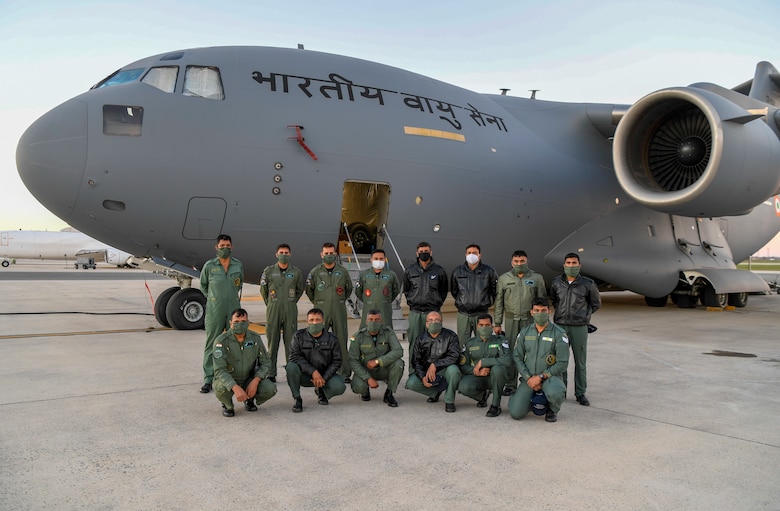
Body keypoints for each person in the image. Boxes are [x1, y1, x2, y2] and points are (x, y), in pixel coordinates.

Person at [549, 252, 601, 406]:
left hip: (579, 327)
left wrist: (584, 316)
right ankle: (561, 390)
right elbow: (554, 300)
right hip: (561, 326)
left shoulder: (587, 284)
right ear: (564, 265)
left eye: (574, 263)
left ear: (579, 265)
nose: (571, 266)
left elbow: (596, 303)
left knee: (580, 361)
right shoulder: (556, 283)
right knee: (561, 360)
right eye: (569, 263)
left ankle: (580, 393)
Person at [508, 297, 569, 422]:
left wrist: (540, 377)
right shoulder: (525, 332)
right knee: (515, 413)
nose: (540, 313)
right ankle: (531, 401)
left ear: (549, 311)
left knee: (555, 392)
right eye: (537, 310)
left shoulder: (559, 333)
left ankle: (552, 409)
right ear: (531, 312)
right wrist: (528, 378)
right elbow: (517, 356)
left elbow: (562, 363)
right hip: (529, 378)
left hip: (550, 378)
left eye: (543, 310)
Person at [494, 250, 546, 395]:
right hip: (511, 320)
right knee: (511, 351)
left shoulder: (537, 278)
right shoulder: (504, 279)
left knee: (530, 351)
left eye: (522, 261)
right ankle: (511, 384)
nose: (519, 264)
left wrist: (541, 321)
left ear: (527, 261)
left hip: (529, 320)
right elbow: (499, 302)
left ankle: (528, 380)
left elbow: (542, 301)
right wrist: (497, 323)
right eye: (516, 262)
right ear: (512, 262)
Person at [199, 234, 243, 394]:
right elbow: (203, 286)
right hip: (215, 310)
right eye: (222, 246)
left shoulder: (238, 265)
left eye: (228, 246)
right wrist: (214, 300)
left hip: (233, 309)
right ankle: (208, 379)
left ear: (232, 247)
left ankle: (237, 377)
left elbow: (239, 284)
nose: (225, 248)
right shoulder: (210, 266)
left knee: (236, 343)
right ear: (216, 247)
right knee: (212, 343)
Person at [212, 309, 277, 417]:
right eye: (236, 322)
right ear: (230, 323)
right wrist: (235, 387)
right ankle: (227, 404)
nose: (239, 324)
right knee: (220, 388)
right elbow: (219, 370)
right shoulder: (221, 341)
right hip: (230, 377)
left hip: (248, 377)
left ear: (248, 322)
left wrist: (255, 381)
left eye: (243, 321)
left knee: (270, 389)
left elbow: (265, 363)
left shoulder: (255, 338)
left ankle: (249, 399)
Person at [305, 242, 354, 382]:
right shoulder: (315, 272)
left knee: (341, 340)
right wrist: (320, 301)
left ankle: (344, 372)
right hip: (321, 310)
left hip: (338, 309)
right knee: (318, 341)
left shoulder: (342, 271)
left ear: (335, 254)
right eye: (326, 253)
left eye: (331, 253)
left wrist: (338, 300)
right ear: (321, 254)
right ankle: (317, 371)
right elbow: (309, 290)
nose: (329, 256)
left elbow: (348, 289)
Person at [286, 308, 346, 412]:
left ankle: (321, 390)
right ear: (307, 322)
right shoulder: (298, 336)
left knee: (339, 386)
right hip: (306, 375)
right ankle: (297, 398)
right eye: (311, 320)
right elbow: (294, 356)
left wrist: (324, 378)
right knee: (291, 367)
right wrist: (313, 372)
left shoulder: (332, 339)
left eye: (318, 320)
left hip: (325, 375)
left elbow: (337, 361)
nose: (314, 323)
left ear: (323, 322)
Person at [260, 243, 304, 381]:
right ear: (276, 254)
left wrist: (290, 302)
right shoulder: (269, 271)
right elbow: (263, 290)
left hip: (290, 309)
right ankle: (271, 373)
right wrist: (271, 304)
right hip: (274, 308)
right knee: (272, 342)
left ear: (290, 255)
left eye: (286, 253)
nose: (283, 255)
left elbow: (299, 290)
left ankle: (291, 372)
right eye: (281, 252)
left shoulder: (296, 272)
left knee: (291, 342)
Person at [402, 242, 448, 374]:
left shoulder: (439, 271)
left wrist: (437, 303)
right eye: (421, 251)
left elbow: (444, 291)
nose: (424, 253)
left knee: (436, 343)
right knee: (414, 343)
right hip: (416, 313)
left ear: (431, 252)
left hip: (432, 312)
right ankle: (413, 372)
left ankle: (434, 371)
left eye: (426, 250)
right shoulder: (410, 270)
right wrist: (412, 301)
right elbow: (406, 289)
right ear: (417, 253)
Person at [405, 311, 461, 412]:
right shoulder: (420, 338)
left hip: (445, 369)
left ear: (441, 322)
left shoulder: (451, 336)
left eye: (436, 320)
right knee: (411, 383)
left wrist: (435, 364)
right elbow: (416, 361)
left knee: (454, 370)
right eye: (430, 320)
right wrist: (422, 377)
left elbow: (455, 356)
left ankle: (449, 400)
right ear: (426, 324)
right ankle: (434, 393)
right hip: (428, 372)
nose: (433, 323)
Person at [348, 310, 404, 407]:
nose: (373, 322)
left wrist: (378, 361)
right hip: (366, 370)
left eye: (376, 319)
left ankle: (389, 393)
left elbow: (398, 351)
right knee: (358, 386)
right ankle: (365, 393)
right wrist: (368, 378)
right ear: (366, 321)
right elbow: (353, 360)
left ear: (381, 321)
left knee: (399, 364)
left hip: (383, 368)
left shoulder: (388, 333)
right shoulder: (358, 336)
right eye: (371, 319)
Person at [458, 313, 510, 417]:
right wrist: (475, 371)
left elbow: (507, 360)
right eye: (481, 325)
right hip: (478, 377)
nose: (484, 327)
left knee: (498, 369)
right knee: (463, 387)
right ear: (477, 327)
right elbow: (463, 365)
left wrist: (483, 362)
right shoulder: (470, 343)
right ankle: (482, 396)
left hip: (495, 378)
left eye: (487, 325)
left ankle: (496, 405)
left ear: (492, 326)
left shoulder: (500, 340)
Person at [450, 244, 498, 347]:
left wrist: (486, 302)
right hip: (464, 314)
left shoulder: (489, 271)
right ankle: (464, 362)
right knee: (463, 344)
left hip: (481, 314)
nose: (471, 255)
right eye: (469, 253)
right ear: (465, 254)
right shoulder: (458, 271)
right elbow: (454, 291)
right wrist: (462, 301)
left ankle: (483, 363)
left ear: (480, 255)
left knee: (484, 341)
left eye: (474, 253)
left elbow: (494, 290)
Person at [355, 248, 400, 329]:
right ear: (371, 260)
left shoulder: (391, 275)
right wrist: (368, 300)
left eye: (381, 259)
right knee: (367, 331)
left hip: (384, 309)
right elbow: (358, 291)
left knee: (386, 331)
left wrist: (385, 299)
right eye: (376, 259)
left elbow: (396, 290)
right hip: (368, 308)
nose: (378, 261)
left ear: (385, 260)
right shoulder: (364, 275)